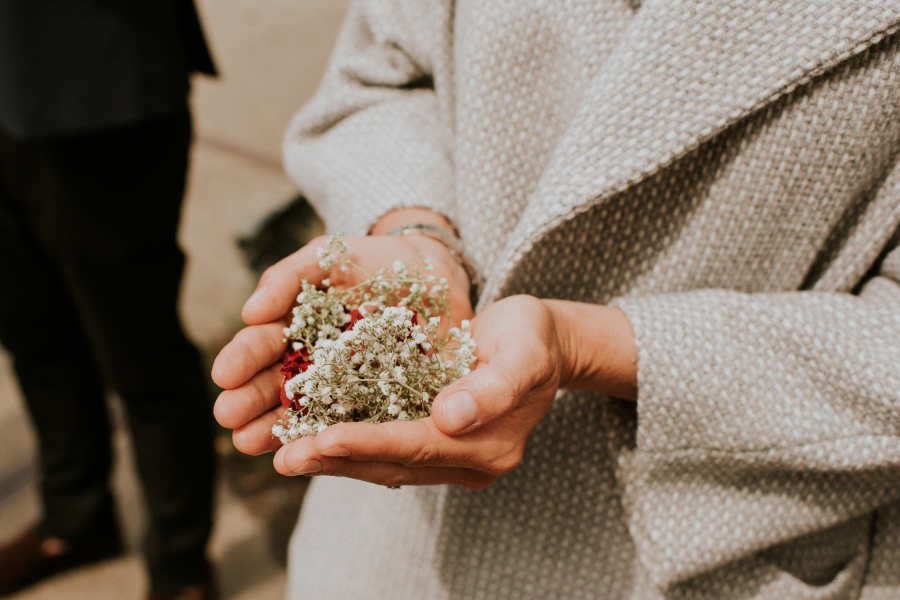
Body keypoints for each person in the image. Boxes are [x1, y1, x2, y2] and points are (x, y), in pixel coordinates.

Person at [213, 1, 900, 598]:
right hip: (393, 550)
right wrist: (416, 229)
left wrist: (587, 345)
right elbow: (381, 73)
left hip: (719, 552)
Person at [0, 2, 217, 599]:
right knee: (30, 327)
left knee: (137, 344)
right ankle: (76, 519)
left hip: (93, 77)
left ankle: (180, 564)